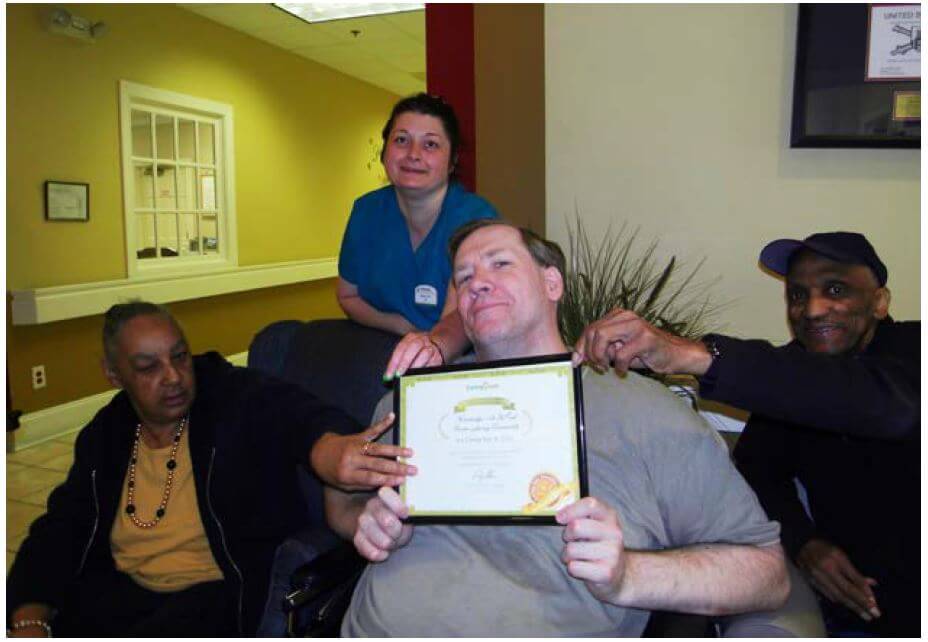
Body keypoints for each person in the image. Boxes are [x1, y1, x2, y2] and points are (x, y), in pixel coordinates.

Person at [324, 220, 790, 636]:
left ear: (552, 282)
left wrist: (627, 575)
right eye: (463, 278)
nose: (477, 285)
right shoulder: (418, 401)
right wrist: (368, 523)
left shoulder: (647, 412)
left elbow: (767, 573)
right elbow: (341, 498)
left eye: (499, 264)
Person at [573, 231, 919, 636]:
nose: (812, 310)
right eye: (797, 296)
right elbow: (758, 471)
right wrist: (805, 542)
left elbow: (889, 408)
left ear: (880, 302)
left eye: (835, 290)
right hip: (854, 612)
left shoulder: (913, 349)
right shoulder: (791, 375)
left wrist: (694, 355)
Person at [6, 301, 414, 637]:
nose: (173, 377)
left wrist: (330, 449)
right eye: (148, 367)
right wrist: (28, 615)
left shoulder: (229, 395)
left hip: (210, 595)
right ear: (114, 375)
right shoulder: (106, 433)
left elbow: (298, 416)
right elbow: (61, 526)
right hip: (117, 590)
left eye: (179, 356)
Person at [337, 93, 498, 376]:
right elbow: (349, 297)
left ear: (452, 161)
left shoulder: (475, 219)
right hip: (388, 350)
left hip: (461, 360)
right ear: (384, 151)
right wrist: (400, 325)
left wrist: (430, 345)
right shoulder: (366, 211)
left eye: (430, 144)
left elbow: (460, 314)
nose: (413, 154)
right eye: (401, 140)